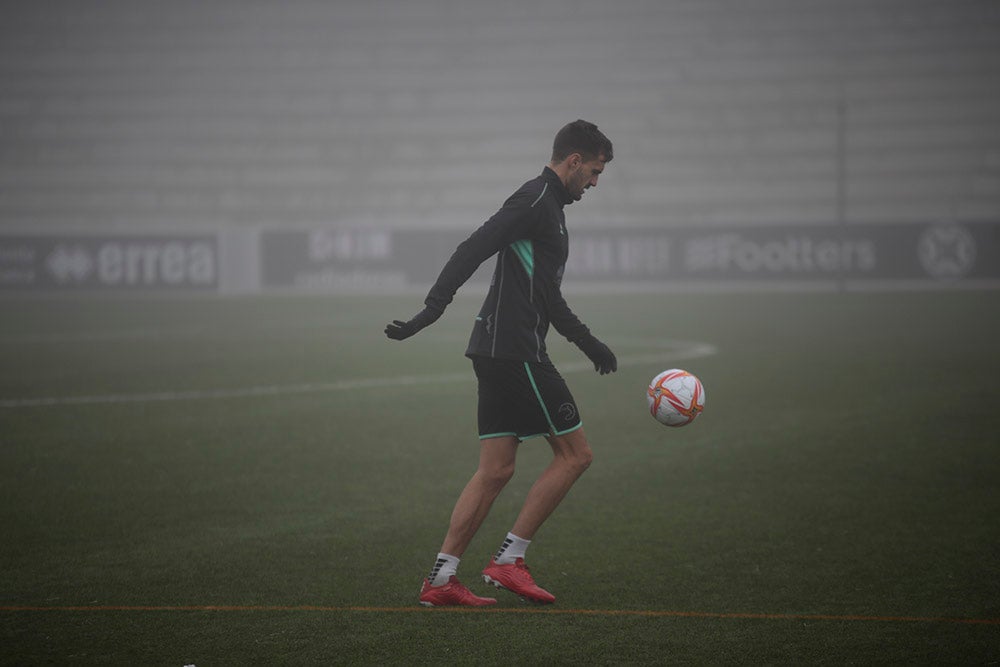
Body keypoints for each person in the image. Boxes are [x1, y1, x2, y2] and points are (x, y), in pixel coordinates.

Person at [385, 119, 617, 606]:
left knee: (495, 472)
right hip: (515, 353)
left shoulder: (552, 207)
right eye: (594, 172)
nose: (595, 183)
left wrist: (587, 341)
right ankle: (510, 561)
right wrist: (432, 308)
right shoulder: (536, 200)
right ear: (573, 161)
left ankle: (441, 579)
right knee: (576, 455)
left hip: (497, 350)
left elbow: (547, 297)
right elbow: (474, 246)